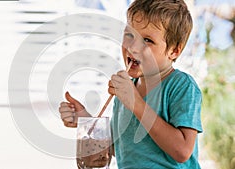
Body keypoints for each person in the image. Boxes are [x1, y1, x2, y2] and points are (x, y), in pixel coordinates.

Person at [58, 0, 203, 168]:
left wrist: (135, 103)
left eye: (147, 40)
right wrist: (86, 120)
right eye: (129, 35)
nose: (133, 47)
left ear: (174, 51)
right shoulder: (126, 91)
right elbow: (120, 147)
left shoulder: (181, 86)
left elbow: (182, 151)